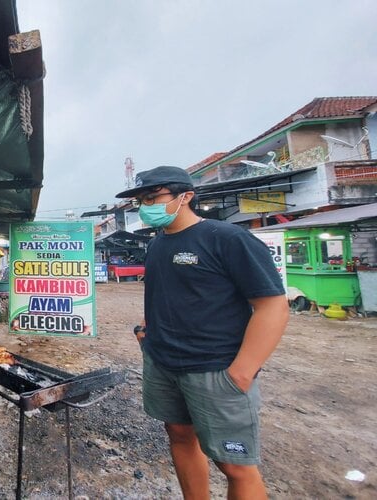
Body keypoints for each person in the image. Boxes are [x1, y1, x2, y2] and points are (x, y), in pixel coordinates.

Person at [116, 166, 289, 500]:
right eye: (141, 200)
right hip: (163, 364)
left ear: (186, 197)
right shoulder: (157, 246)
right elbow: (170, 294)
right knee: (179, 436)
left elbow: (272, 307)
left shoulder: (226, 238)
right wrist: (147, 333)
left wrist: (242, 371)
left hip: (216, 369)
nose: (145, 206)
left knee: (235, 465)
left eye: (153, 197)